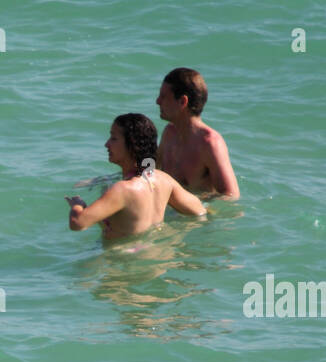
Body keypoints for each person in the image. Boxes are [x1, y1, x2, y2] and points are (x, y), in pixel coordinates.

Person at [67, 113, 206, 241]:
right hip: (157, 260)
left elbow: (78, 223)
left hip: (121, 262)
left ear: (132, 144)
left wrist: (78, 205)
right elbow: (199, 210)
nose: (107, 144)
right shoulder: (163, 179)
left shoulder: (122, 190)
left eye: (114, 138)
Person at [155, 67, 239, 198]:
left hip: (192, 216)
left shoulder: (210, 143)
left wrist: (192, 205)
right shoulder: (169, 133)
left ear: (183, 101)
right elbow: (152, 168)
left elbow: (231, 196)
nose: (158, 101)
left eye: (163, 96)